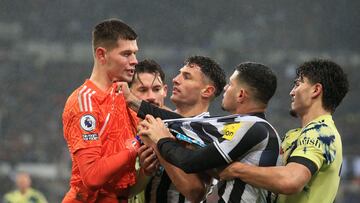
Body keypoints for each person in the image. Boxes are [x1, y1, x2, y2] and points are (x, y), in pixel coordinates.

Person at [136, 62, 281, 202]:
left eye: (186, 76)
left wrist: (160, 141)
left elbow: (192, 172)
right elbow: (181, 122)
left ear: (241, 94)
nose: (176, 79)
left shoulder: (251, 127)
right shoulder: (235, 126)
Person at [218, 59, 349, 203]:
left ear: (316, 90)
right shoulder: (294, 135)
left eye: (298, 84)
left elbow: (290, 180)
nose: (291, 92)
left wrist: (238, 170)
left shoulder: (321, 132)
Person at [62, 19, 146, 203]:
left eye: (134, 53)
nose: (134, 61)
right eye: (126, 54)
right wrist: (136, 144)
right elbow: (92, 176)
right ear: (102, 55)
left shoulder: (122, 95)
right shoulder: (85, 102)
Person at [121, 55, 226, 202]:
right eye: (179, 73)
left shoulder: (208, 133)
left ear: (207, 91)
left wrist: (160, 144)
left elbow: (195, 193)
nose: (175, 79)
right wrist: (145, 171)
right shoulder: (159, 123)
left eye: (186, 76)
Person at [128, 59, 168, 203]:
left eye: (156, 89)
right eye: (143, 90)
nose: (151, 96)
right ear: (128, 93)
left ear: (165, 91)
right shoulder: (118, 130)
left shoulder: (176, 134)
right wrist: (145, 172)